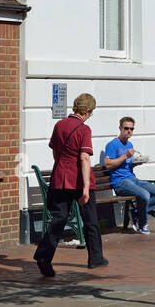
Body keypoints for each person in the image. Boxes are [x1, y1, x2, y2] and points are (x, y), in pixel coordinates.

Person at [34, 92, 106, 276]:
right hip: (79, 179)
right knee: (90, 221)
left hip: (60, 178)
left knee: (58, 220)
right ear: (87, 111)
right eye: (91, 112)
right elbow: (84, 158)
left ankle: (44, 256)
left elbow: (55, 151)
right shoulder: (84, 129)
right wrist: (85, 188)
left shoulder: (59, 125)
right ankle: (95, 259)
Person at [104, 117, 155, 234]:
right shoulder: (112, 145)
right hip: (120, 183)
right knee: (145, 195)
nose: (129, 131)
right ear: (120, 128)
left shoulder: (129, 144)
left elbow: (127, 165)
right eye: (126, 128)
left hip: (132, 179)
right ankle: (143, 224)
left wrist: (136, 163)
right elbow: (108, 165)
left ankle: (136, 212)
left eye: (131, 129)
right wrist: (125, 156)